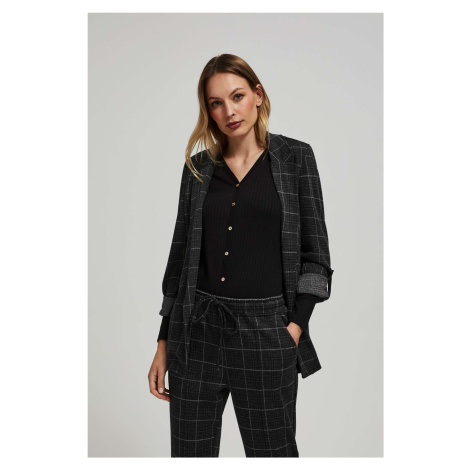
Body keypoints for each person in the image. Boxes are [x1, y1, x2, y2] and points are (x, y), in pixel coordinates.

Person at [148, 53, 334, 457]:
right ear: (208, 111)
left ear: (258, 95)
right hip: (196, 333)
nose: (229, 111)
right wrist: (164, 341)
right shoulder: (198, 169)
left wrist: (294, 328)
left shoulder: (295, 158)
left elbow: (316, 257)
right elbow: (179, 260)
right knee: (189, 456)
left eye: (237, 96)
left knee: (273, 454)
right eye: (216, 103)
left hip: (266, 334)